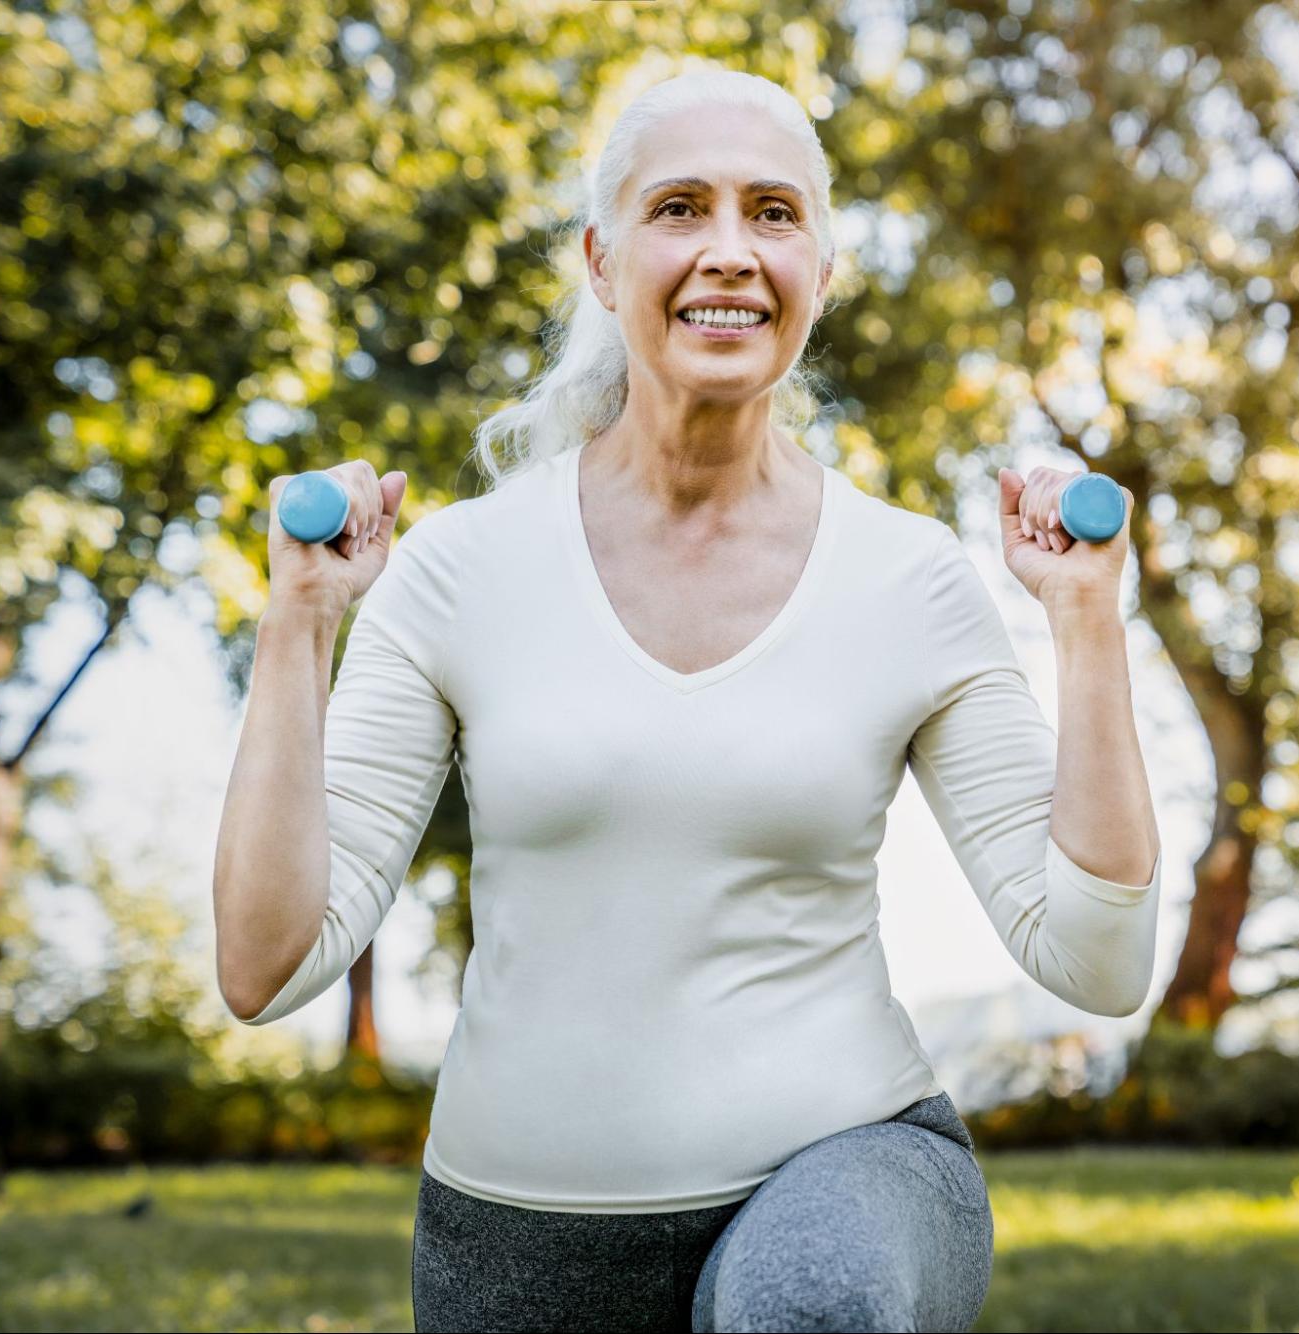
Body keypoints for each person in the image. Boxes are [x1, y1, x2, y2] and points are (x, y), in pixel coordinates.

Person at [212, 65, 1162, 1333]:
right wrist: (298, 623)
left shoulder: (908, 577)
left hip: (846, 1170)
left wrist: (1085, 622)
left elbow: (1095, 958)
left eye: (774, 213)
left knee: (801, 1306)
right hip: (517, 1249)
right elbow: (266, 963)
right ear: (603, 262)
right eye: (681, 209)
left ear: (822, 271)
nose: (730, 252)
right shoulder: (457, 569)